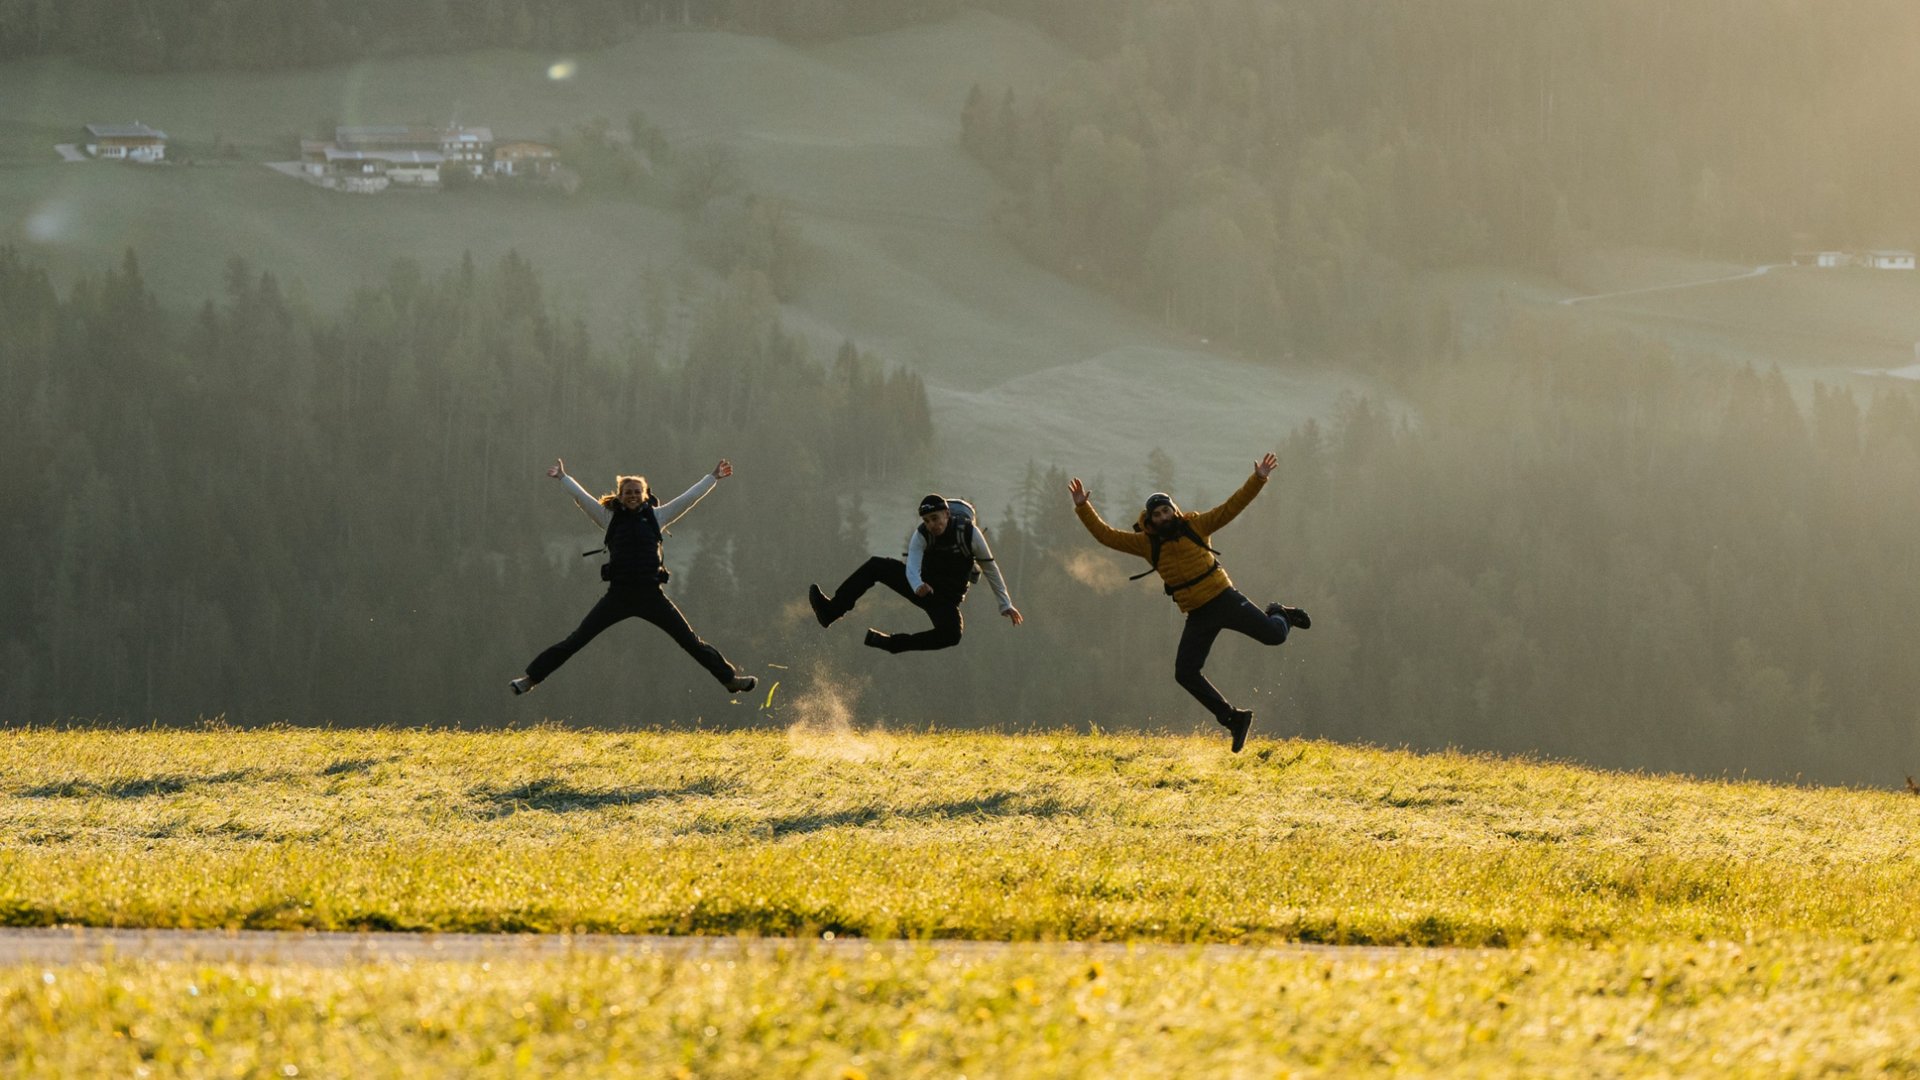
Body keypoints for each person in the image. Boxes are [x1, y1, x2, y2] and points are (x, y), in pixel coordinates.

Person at [1068, 453, 1310, 753]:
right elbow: (1107, 537)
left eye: (1167, 511)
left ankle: (1279, 612)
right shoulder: (1146, 543)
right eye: (1157, 515)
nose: (1163, 517)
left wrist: (1258, 478)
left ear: (1175, 510)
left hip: (1224, 598)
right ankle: (1233, 719)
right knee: (1185, 672)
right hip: (1198, 614)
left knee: (1275, 636)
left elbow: (1232, 507)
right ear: (1151, 521)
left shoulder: (1196, 526)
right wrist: (1083, 507)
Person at [509, 458, 757, 697]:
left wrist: (712, 477)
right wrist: (563, 477)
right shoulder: (609, 519)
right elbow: (582, 498)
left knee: (691, 642)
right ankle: (530, 680)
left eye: (637, 492)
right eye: (627, 492)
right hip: (618, 596)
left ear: (645, 495)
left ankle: (730, 680)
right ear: (619, 495)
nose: (632, 495)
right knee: (575, 640)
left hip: (651, 596)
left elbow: (688, 499)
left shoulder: (657, 517)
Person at [807, 493, 1023, 653]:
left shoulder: (970, 534)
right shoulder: (921, 534)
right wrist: (918, 584)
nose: (932, 524)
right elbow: (912, 564)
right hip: (922, 588)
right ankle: (831, 611)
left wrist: (1005, 604)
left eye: (936, 518)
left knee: (952, 635)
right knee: (876, 566)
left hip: (945, 600)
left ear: (947, 514)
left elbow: (990, 569)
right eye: (927, 520)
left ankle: (892, 644)